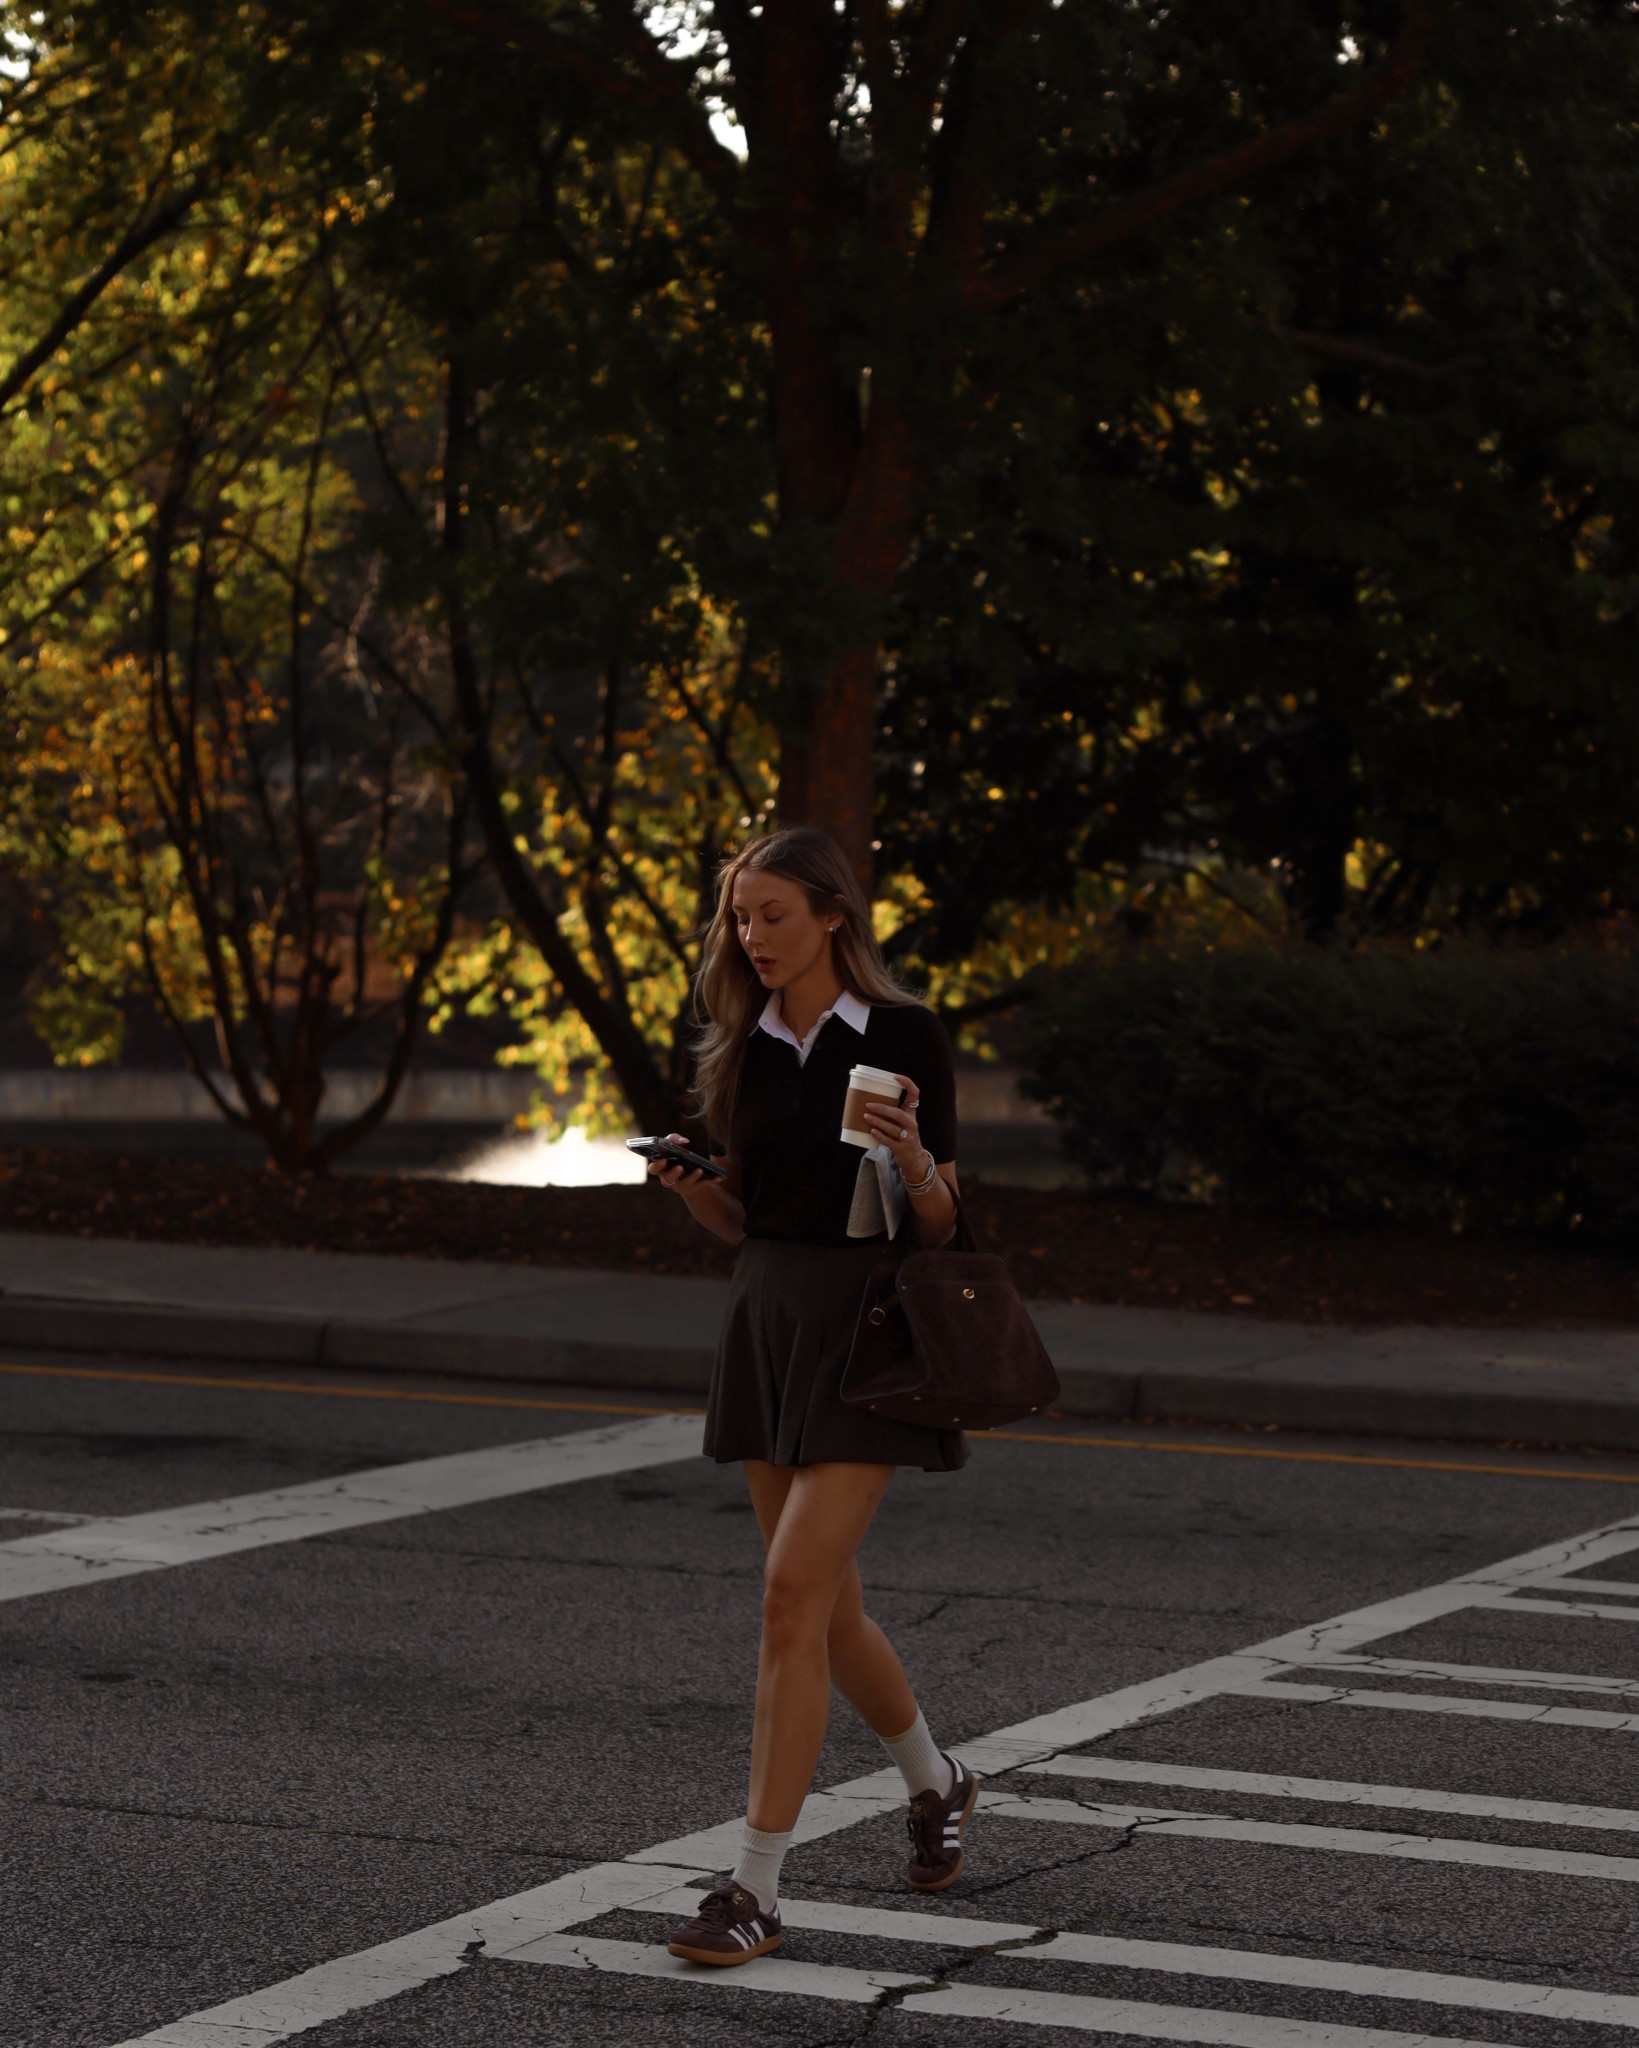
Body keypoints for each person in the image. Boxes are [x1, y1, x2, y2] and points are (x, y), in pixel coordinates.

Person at [645, 824, 977, 1968]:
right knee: (825, 1611)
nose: (752, 935)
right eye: (740, 917)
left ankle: (754, 1888)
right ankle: (938, 1780)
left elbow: (940, 1220)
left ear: (834, 913)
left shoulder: (902, 1035)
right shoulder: (741, 1046)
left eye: (772, 913)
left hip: (866, 1331)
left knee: (789, 1592)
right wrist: (694, 1193)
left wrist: (918, 1157)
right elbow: (747, 1217)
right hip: (767, 1320)